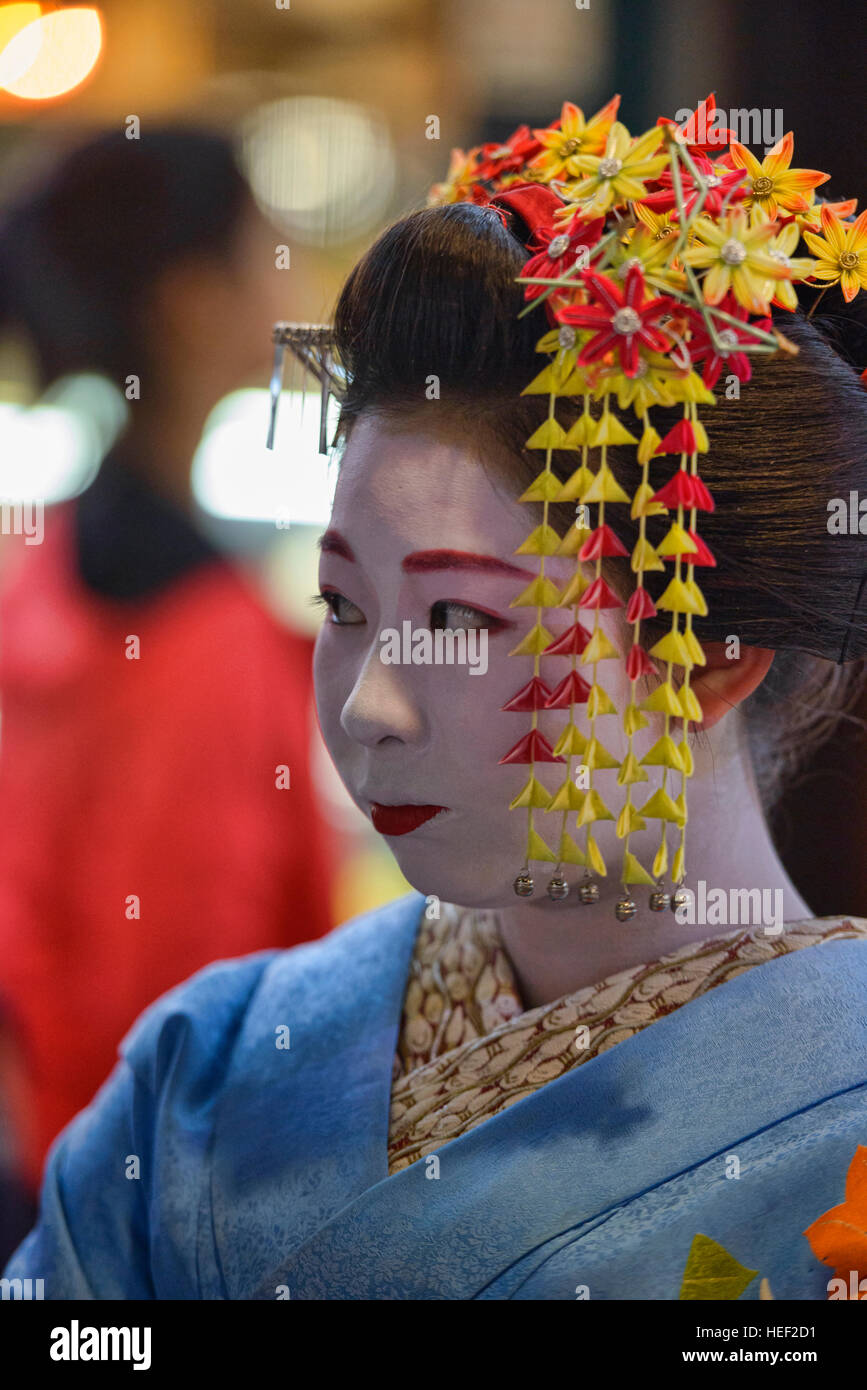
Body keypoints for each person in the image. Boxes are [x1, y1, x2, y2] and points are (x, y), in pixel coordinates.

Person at [4, 98, 867, 1301]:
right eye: (344, 605)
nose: (368, 704)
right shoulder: (204, 1073)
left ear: (708, 654)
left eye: (458, 618)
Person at [0, 127, 336, 1205]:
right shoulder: (209, 634)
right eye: (267, 247)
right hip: (162, 1202)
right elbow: (195, 976)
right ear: (192, 300)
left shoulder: (36, 573)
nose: (291, 275)